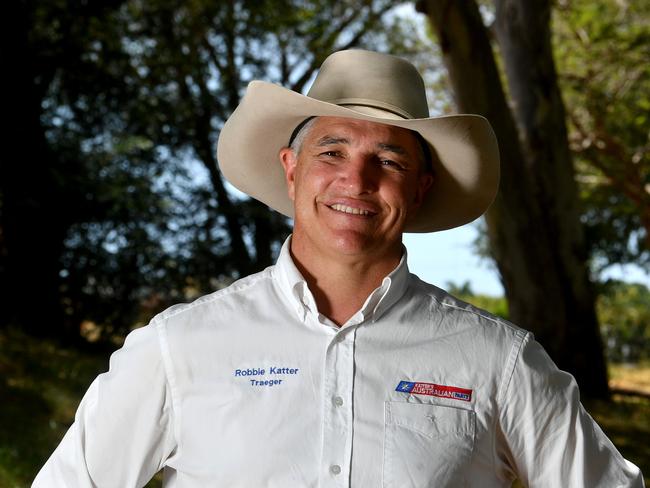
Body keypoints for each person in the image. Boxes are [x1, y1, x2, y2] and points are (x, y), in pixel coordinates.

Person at [33, 49, 644, 487]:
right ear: (291, 168)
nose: (358, 180)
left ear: (422, 187)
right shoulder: (180, 345)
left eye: (390, 160)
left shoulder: (498, 360)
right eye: (332, 151)